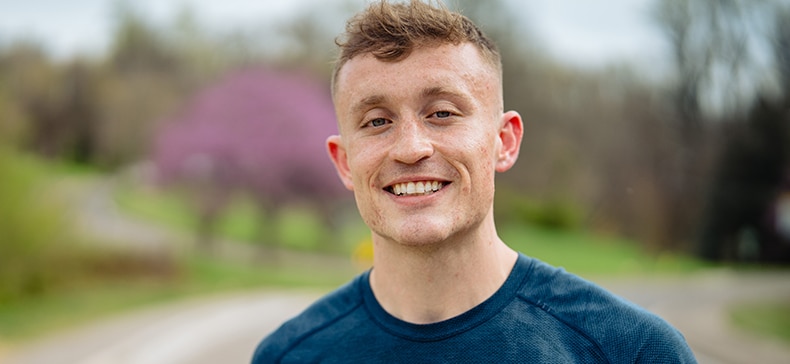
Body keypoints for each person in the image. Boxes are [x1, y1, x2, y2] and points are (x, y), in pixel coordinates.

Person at [253, 1, 697, 362]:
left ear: (504, 141)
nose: (410, 148)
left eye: (442, 113)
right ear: (344, 162)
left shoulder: (631, 352)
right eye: (377, 121)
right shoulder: (288, 355)